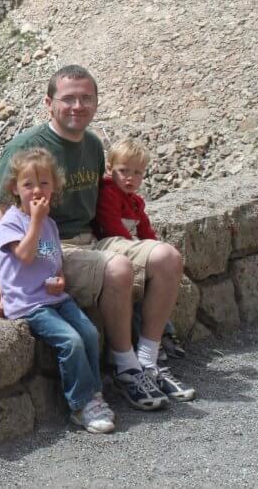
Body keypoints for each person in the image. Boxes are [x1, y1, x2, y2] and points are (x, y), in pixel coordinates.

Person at [0, 65, 191, 410]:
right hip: (53, 246)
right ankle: (126, 369)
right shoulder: (27, 146)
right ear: (49, 103)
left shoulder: (93, 145)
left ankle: (148, 362)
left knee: (167, 257)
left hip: (94, 240)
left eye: (85, 99)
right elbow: (1, 217)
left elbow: (102, 204)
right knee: (118, 269)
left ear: (95, 103)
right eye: (68, 99)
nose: (77, 106)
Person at [0, 147, 114, 433]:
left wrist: (59, 278)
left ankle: (94, 394)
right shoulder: (11, 221)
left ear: (55, 187)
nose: (37, 190)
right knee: (70, 341)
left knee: (89, 332)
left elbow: (53, 258)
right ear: (15, 188)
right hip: (28, 303)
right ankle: (80, 404)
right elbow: (24, 255)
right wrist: (35, 221)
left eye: (44, 183)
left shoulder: (49, 223)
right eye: (28, 184)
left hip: (53, 295)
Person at [95, 137, 195, 400]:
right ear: (110, 169)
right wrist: (140, 249)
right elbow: (112, 226)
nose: (130, 178)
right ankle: (147, 358)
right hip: (112, 246)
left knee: (162, 269)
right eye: (123, 171)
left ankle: (151, 356)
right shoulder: (108, 193)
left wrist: (154, 247)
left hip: (127, 247)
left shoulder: (136, 202)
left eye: (137, 173)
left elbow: (146, 230)